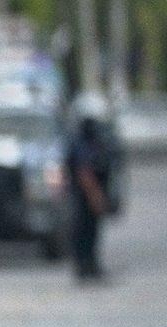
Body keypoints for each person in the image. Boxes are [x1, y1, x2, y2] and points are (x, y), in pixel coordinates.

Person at [66, 106, 112, 282]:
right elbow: (84, 172)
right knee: (85, 232)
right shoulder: (83, 143)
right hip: (83, 198)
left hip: (83, 198)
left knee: (89, 231)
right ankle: (85, 266)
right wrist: (96, 196)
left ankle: (88, 266)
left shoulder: (85, 141)